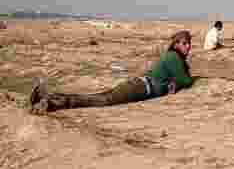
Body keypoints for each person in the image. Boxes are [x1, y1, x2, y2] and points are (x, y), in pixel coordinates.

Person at [29, 30, 194, 113]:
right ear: (176, 44)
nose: (188, 46)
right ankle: (50, 102)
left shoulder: (171, 56)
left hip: (138, 85)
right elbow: (186, 81)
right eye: (185, 43)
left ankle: (48, 98)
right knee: (102, 100)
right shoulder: (173, 58)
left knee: (99, 98)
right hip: (140, 88)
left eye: (189, 43)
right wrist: (178, 82)